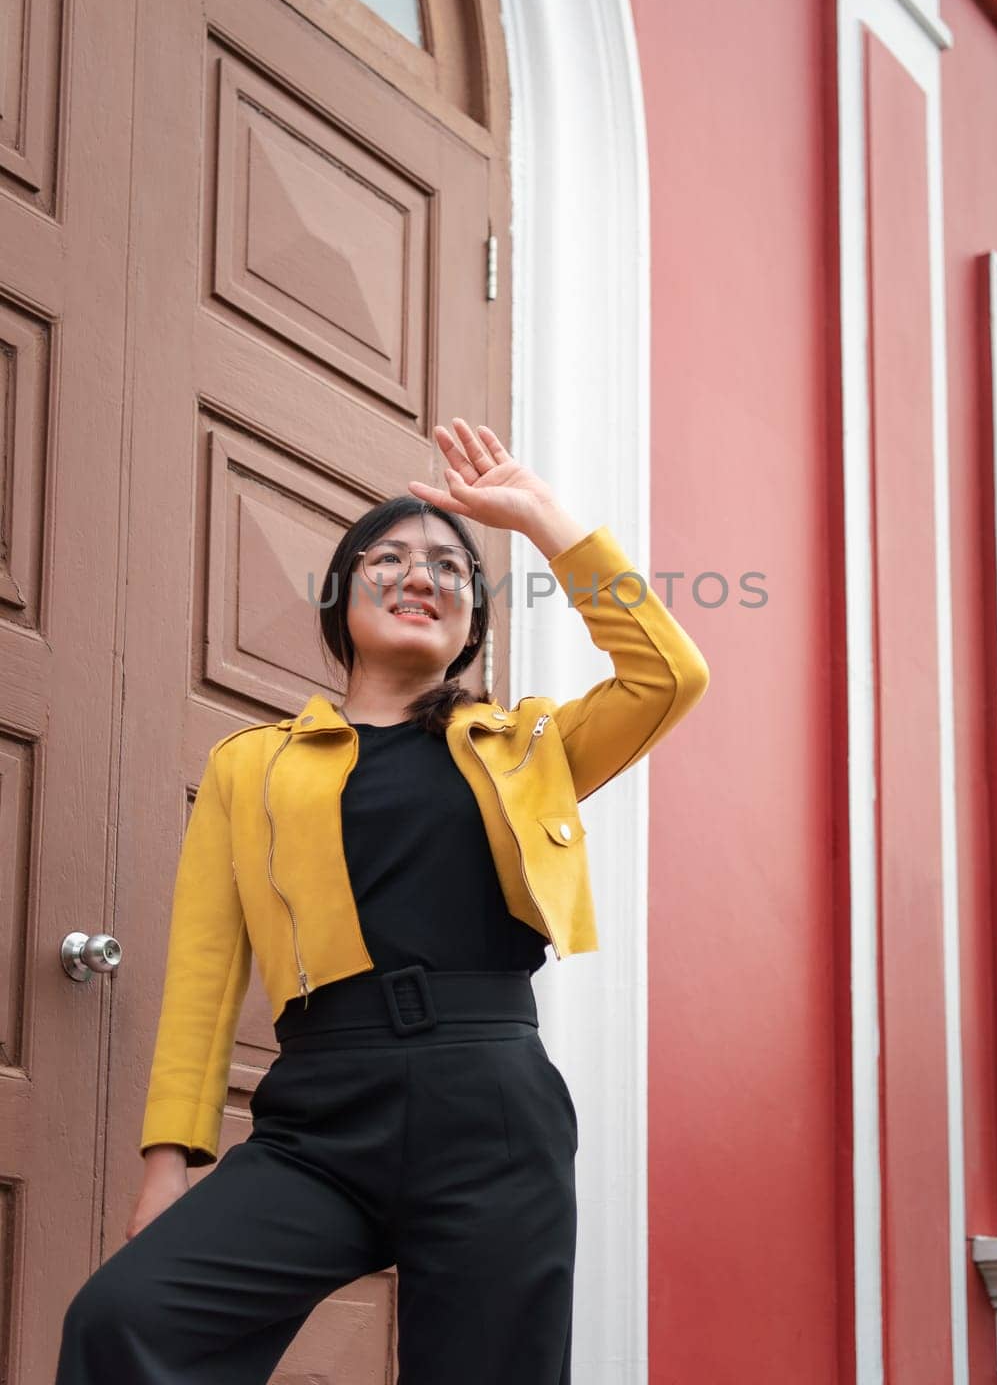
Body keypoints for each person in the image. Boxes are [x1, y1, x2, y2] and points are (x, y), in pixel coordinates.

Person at [54, 418, 709, 1384]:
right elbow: (203, 972)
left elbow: (667, 674)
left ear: (471, 625)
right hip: (320, 1116)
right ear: (340, 598)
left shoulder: (528, 748)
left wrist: (541, 521)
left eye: (450, 567)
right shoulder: (252, 767)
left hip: (490, 1104)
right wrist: (168, 1161)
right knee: (123, 1320)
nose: (421, 574)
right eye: (389, 557)